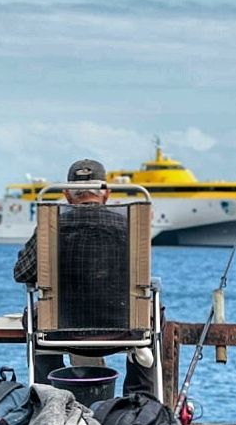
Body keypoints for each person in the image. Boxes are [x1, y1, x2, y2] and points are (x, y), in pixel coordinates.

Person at [13, 158, 157, 396]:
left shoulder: (51, 227)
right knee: (153, 315)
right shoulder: (130, 227)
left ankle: (48, 396)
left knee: (32, 316)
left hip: (61, 331)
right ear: (106, 194)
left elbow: (22, 273)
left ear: (68, 196)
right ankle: (140, 399)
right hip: (124, 330)